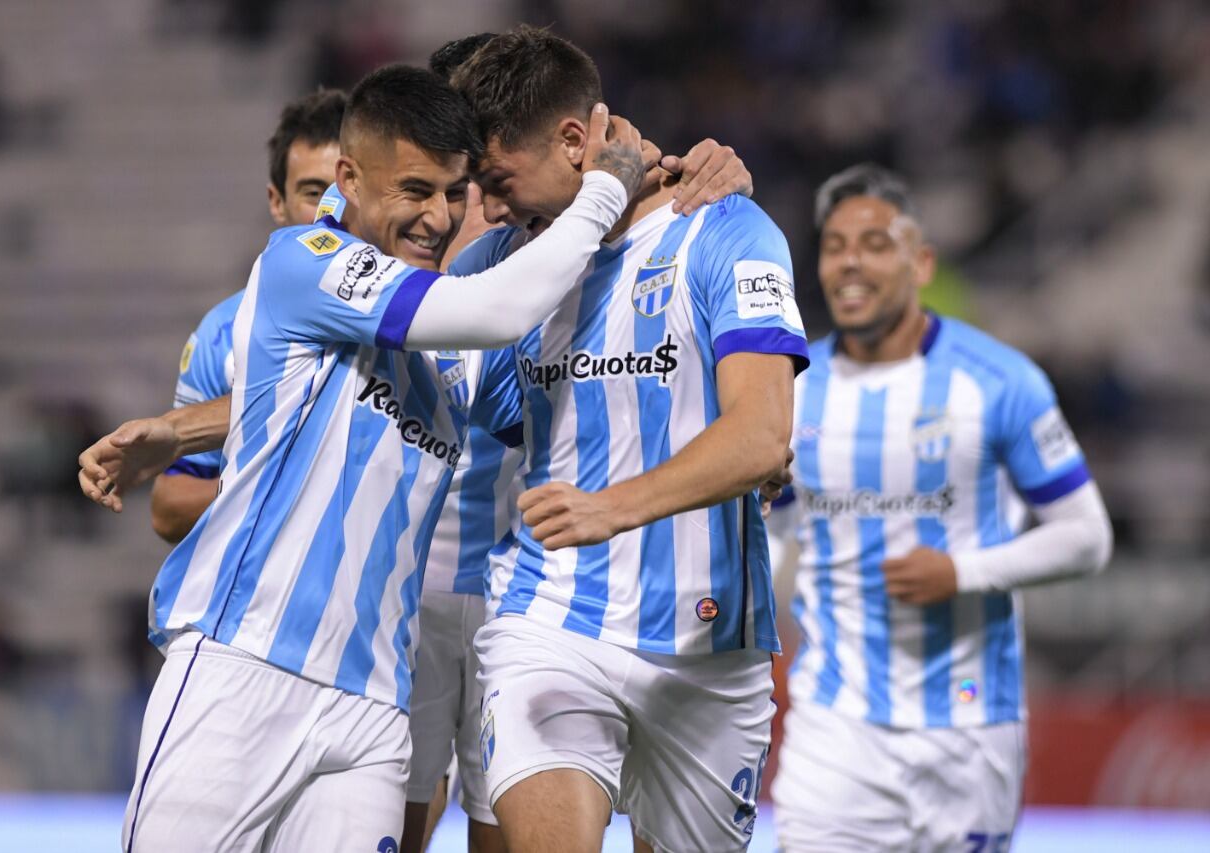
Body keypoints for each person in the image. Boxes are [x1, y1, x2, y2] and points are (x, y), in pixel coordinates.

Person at [84, 65, 651, 853]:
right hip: (244, 666)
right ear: (347, 178)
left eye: (454, 192)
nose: (436, 216)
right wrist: (605, 194)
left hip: (375, 708)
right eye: (414, 188)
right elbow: (493, 308)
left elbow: (576, 412)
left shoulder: (449, 343)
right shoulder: (303, 259)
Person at [446, 27, 809, 852]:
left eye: (499, 179)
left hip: (709, 648)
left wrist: (612, 507)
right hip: (551, 622)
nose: (492, 207)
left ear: (575, 141)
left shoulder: (724, 230)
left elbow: (759, 436)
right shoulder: (507, 268)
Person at [767, 163, 1113, 852]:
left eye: (873, 243)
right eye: (835, 246)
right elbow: (774, 527)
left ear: (921, 261)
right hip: (834, 729)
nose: (850, 263)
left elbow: (1087, 537)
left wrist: (964, 572)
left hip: (968, 727)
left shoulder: (1001, 380)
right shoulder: (794, 388)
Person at [151, 89, 346, 544]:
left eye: (342, 191)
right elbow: (168, 506)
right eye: (312, 192)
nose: (328, 212)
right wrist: (273, 483)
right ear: (277, 202)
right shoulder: (224, 331)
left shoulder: (422, 307)